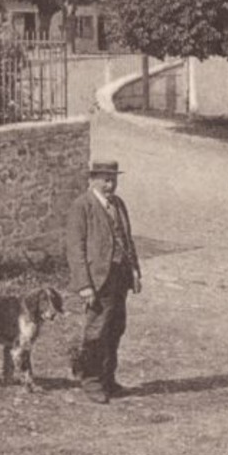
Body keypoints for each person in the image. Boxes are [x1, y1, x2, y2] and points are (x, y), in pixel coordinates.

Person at [66, 159, 141, 403]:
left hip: (119, 276)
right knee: (96, 330)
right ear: (93, 180)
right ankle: (91, 380)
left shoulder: (118, 204)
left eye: (114, 180)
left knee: (116, 328)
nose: (110, 185)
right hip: (98, 279)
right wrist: (84, 285)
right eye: (105, 180)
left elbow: (127, 239)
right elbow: (75, 248)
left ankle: (109, 377)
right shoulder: (82, 206)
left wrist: (136, 272)